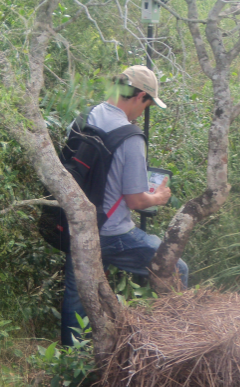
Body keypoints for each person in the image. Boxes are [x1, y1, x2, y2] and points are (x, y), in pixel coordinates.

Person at [60, 65, 188, 345]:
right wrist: (159, 198)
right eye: (148, 103)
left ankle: (69, 365)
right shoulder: (130, 138)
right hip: (114, 234)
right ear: (139, 95)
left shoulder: (85, 118)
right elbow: (136, 200)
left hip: (78, 228)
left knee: (76, 296)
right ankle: (173, 342)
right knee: (178, 269)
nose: (145, 110)